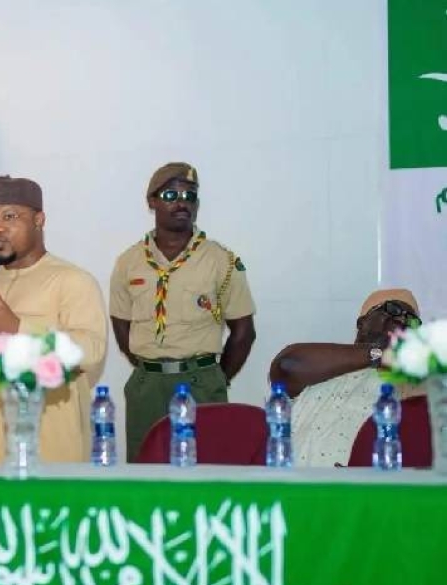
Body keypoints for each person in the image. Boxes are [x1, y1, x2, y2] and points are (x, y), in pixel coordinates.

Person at [0, 175, 108, 465]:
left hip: (49, 450)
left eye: (9, 217)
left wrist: (16, 327)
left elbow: (91, 351)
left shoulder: (72, 281)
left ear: (39, 220)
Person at [109, 162, 256, 461]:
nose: (181, 203)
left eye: (190, 196)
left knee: (208, 468)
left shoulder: (221, 260)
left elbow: (244, 332)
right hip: (147, 387)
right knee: (147, 470)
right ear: (152, 201)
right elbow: (121, 323)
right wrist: (150, 366)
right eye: (170, 195)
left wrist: (214, 378)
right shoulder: (129, 262)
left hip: (200, 384)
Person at [269, 288, 423, 467]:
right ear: (362, 323)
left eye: (412, 320)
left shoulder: (413, 380)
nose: (403, 321)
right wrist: (380, 354)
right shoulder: (321, 368)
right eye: (393, 309)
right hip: (295, 479)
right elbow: (286, 364)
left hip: (363, 481)